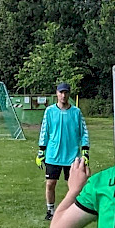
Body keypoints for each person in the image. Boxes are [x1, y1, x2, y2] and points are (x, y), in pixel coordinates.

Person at [37, 82, 88, 220]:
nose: (63, 95)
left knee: (74, 186)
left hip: (72, 156)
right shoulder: (49, 111)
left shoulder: (76, 112)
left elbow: (83, 132)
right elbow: (44, 131)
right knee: (50, 183)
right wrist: (41, 151)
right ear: (57, 93)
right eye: (61, 92)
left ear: (69, 94)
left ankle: (72, 212)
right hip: (53, 155)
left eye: (66, 92)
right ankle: (50, 210)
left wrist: (85, 151)